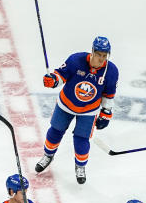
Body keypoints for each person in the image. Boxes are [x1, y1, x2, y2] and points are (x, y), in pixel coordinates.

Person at [35, 36, 118, 185]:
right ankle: (48, 156)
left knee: (81, 139)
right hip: (66, 104)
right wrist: (53, 80)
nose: (101, 59)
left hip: (89, 110)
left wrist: (106, 113)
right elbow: (61, 75)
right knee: (56, 130)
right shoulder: (75, 60)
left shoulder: (111, 71)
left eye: (104, 56)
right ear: (92, 51)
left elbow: (109, 94)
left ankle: (80, 166)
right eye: (99, 55)